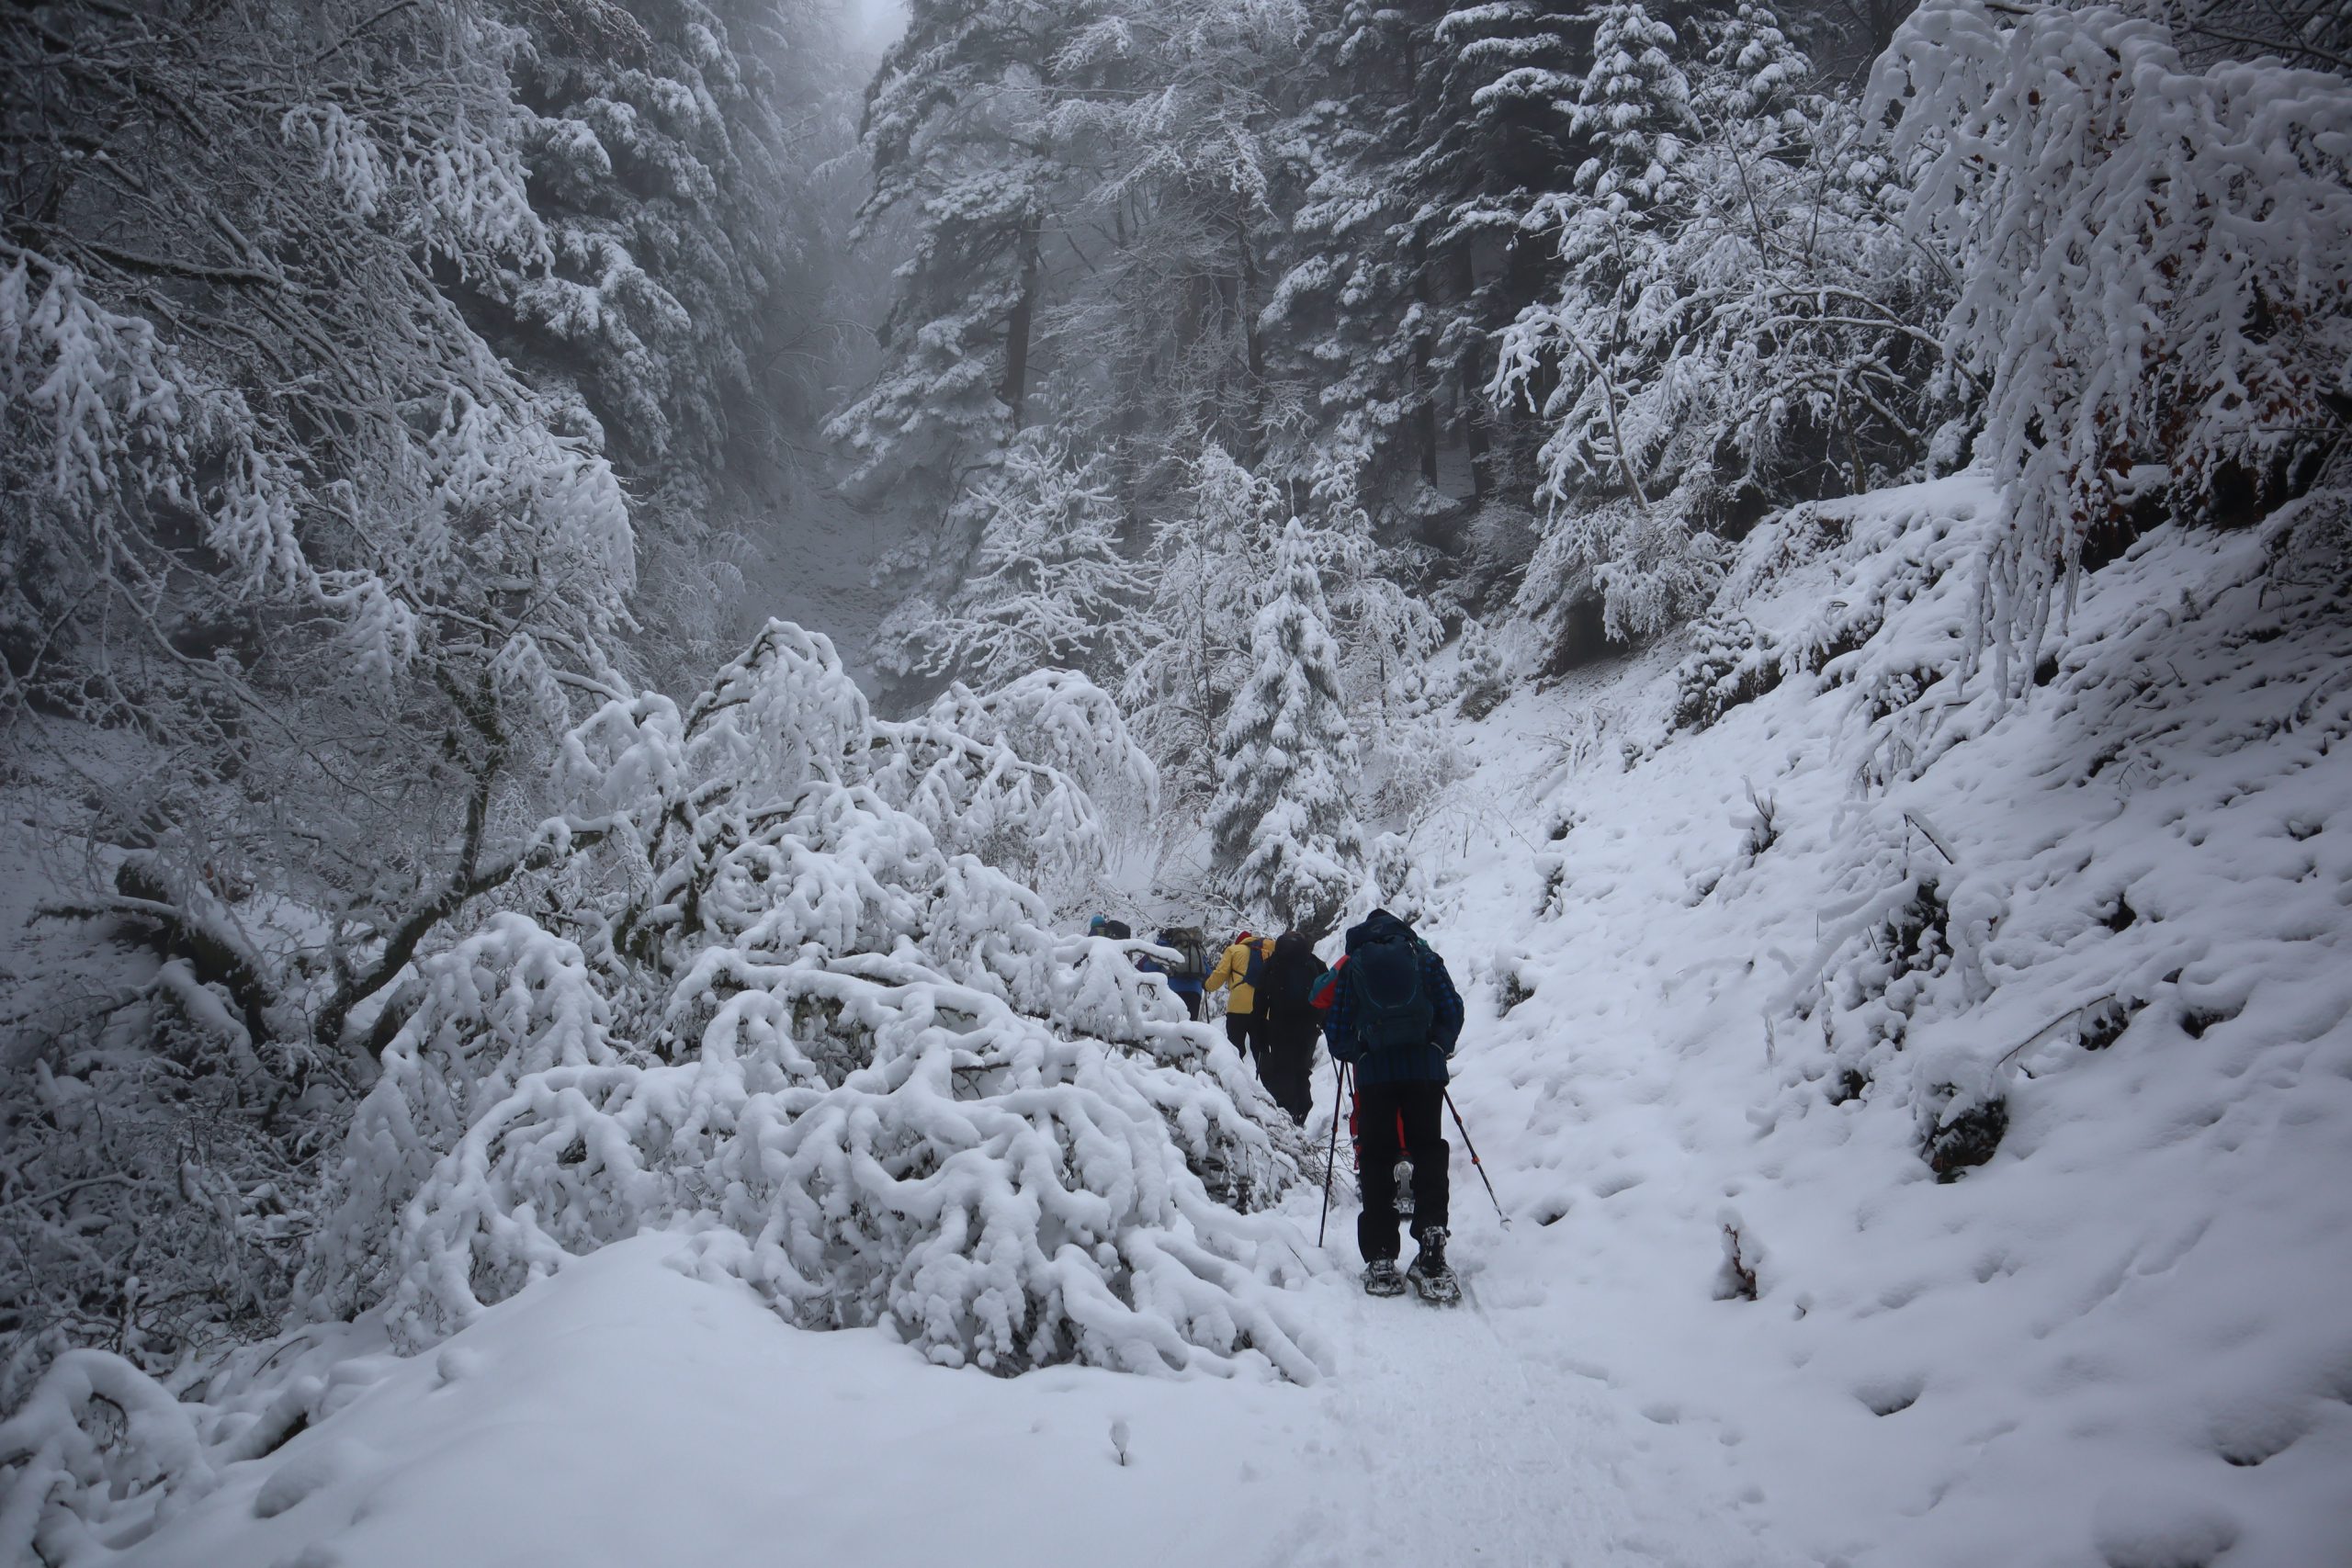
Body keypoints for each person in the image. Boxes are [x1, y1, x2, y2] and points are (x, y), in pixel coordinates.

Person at [1322, 908, 1464, 1302]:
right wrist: (1436, 1045)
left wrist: (1361, 1053)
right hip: (1425, 1071)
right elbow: (1452, 1009)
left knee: (1376, 1157)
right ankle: (1433, 1239)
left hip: (1375, 1077)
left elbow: (1336, 1032)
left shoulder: (1354, 965)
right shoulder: (1423, 956)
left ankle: (1382, 1256)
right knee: (1429, 1149)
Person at [1255, 931, 1326, 1124]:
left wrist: (1259, 1026)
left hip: (1280, 1027)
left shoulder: (1273, 963)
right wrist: (1324, 1020)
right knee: (1302, 1071)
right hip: (1309, 1028)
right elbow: (1326, 990)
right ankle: (1301, 1112)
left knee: (1283, 1071)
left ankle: (1286, 1116)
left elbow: (1260, 995)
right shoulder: (1313, 962)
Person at [1204, 930, 1277, 1066]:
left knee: (1234, 1049)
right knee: (1261, 1050)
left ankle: (1236, 1081)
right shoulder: (1264, 952)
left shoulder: (1233, 950)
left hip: (1237, 1007)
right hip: (1261, 1007)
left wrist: (1207, 985)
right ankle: (1268, 1083)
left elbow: (1220, 974)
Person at [1148, 925, 1211, 1021]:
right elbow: (1208, 972)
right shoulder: (1195, 947)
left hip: (1173, 991)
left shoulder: (1167, 945)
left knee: (1173, 1027)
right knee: (1190, 1025)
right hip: (1195, 991)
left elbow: (1149, 967)